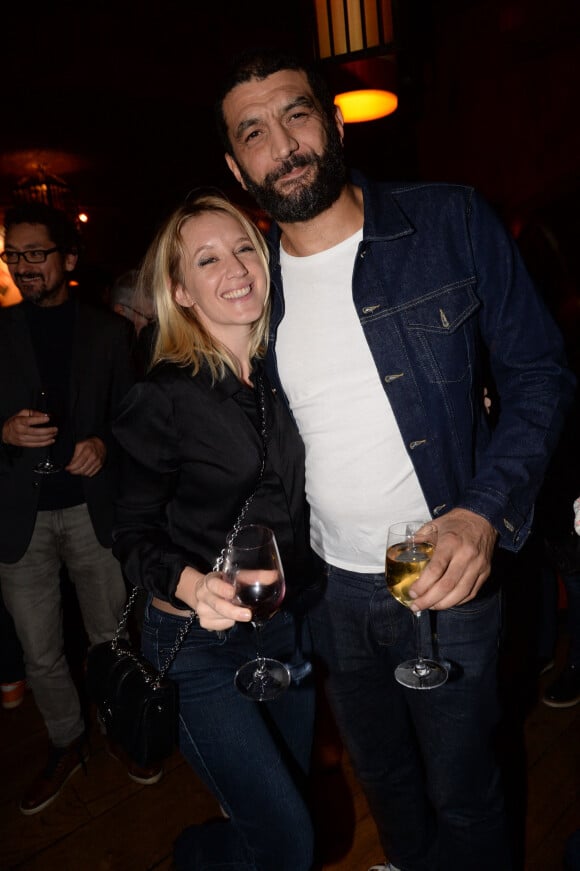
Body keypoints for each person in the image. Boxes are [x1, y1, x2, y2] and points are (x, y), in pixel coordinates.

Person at [215, 50, 576, 871]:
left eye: (298, 114)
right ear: (237, 166)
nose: (285, 144)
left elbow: (539, 373)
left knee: (465, 786)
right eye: (255, 132)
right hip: (328, 588)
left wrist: (486, 509)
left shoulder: (448, 220)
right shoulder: (250, 287)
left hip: (440, 565)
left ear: (335, 121)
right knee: (385, 778)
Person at [111, 193, 317, 871]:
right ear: (180, 290)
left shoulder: (284, 374)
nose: (233, 267)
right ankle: (193, 856)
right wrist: (193, 584)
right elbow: (126, 526)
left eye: (241, 249)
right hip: (195, 643)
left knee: (285, 808)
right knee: (290, 841)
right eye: (207, 258)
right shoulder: (166, 394)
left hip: (283, 627)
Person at [0, 203, 157, 816]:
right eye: (14, 255)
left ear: (68, 259)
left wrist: (104, 443)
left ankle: (122, 732)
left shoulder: (107, 333)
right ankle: (66, 741)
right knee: (39, 651)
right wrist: (4, 432)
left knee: (112, 640)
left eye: (35, 254)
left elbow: (135, 419)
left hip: (93, 512)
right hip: (20, 516)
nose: (23, 266)